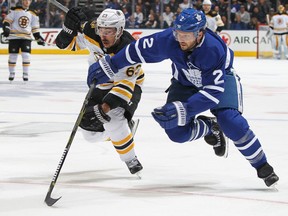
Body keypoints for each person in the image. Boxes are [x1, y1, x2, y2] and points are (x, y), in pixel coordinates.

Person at [87, 8, 280, 187]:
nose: (181, 39)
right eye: (178, 34)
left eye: (186, 35)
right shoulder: (170, 39)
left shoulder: (213, 49)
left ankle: (262, 165)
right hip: (184, 82)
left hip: (220, 81)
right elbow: (137, 50)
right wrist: (110, 65)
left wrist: (184, 109)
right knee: (176, 132)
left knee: (230, 120)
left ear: (200, 34)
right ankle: (210, 128)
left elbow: (212, 93)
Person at [55, 8, 144, 175]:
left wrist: (103, 109)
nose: (103, 36)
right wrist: (68, 28)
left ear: (119, 31)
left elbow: (124, 88)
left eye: (109, 31)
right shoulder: (91, 31)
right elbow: (65, 45)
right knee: (89, 135)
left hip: (128, 84)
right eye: (101, 30)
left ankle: (130, 159)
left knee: (114, 119)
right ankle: (125, 130)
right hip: (101, 83)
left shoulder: (130, 50)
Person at [2, 0, 45, 82]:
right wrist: (6, 29)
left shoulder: (33, 14)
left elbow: (35, 28)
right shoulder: (15, 11)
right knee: (12, 55)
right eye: (25, 0)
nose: (27, 2)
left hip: (26, 37)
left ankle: (25, 74)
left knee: (26, 55)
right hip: (14, 37)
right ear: (22, 1)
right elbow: (7, 21)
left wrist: (38, 37)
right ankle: (12, 73)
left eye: (28, 0)